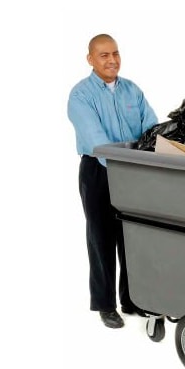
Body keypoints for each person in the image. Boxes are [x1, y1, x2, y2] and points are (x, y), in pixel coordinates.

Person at [68, 34, 158, 328]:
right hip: (98, 170)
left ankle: (132, 299)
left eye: (115, 53)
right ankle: (105, 305)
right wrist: (127, 164)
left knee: (131, 236)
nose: (112, 60)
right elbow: (97, 141)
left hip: (134, 171)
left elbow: (151, 129)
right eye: (104, 55)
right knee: (101, 236)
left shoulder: (132, 91)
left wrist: (149, 160)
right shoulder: (81, 95)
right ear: (90, 59)